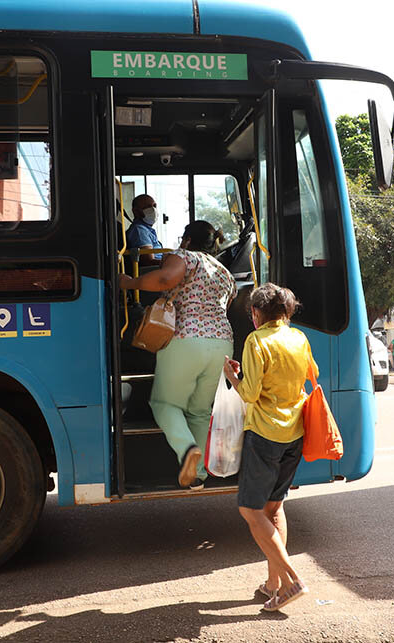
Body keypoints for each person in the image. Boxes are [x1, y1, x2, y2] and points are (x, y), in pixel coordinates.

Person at [119, 220, 234, 490]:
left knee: (165, 405)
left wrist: (130, 281)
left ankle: (187, 451)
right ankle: (198, 476)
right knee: (200, 411)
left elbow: (164, 279)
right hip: (222, 344)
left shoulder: (184, 256)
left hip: (186, 340)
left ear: (187, 240)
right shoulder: (223, 271)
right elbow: (229, 302)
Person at [223, 283, 313, 612]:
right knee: (274, 509)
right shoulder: (298, 338)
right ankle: (274, 584)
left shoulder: (256, 340)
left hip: (265, 434)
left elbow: (249, 394)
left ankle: (291, 581)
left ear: (256, 313)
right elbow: (305, 376)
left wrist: (233, 376)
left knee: (250, 510)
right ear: (287, 312)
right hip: (295, 431)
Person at [125, 194, 163, 265]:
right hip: (154, 270)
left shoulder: (147, 229)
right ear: (136, 211)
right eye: (148, 207)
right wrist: (170, 263)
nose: (153, 210)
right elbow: (148, 260)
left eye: (154, 206)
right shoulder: (139, 230)